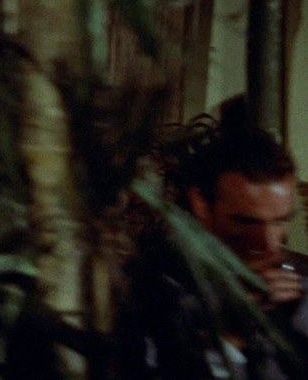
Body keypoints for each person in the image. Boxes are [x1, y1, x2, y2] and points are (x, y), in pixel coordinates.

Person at [123, 114, 308, 378]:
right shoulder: (152, 292)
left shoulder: (302, 284)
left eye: (281, 221)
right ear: (201, 206)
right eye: (246, 222)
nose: (269, 243)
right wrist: (227, 339)